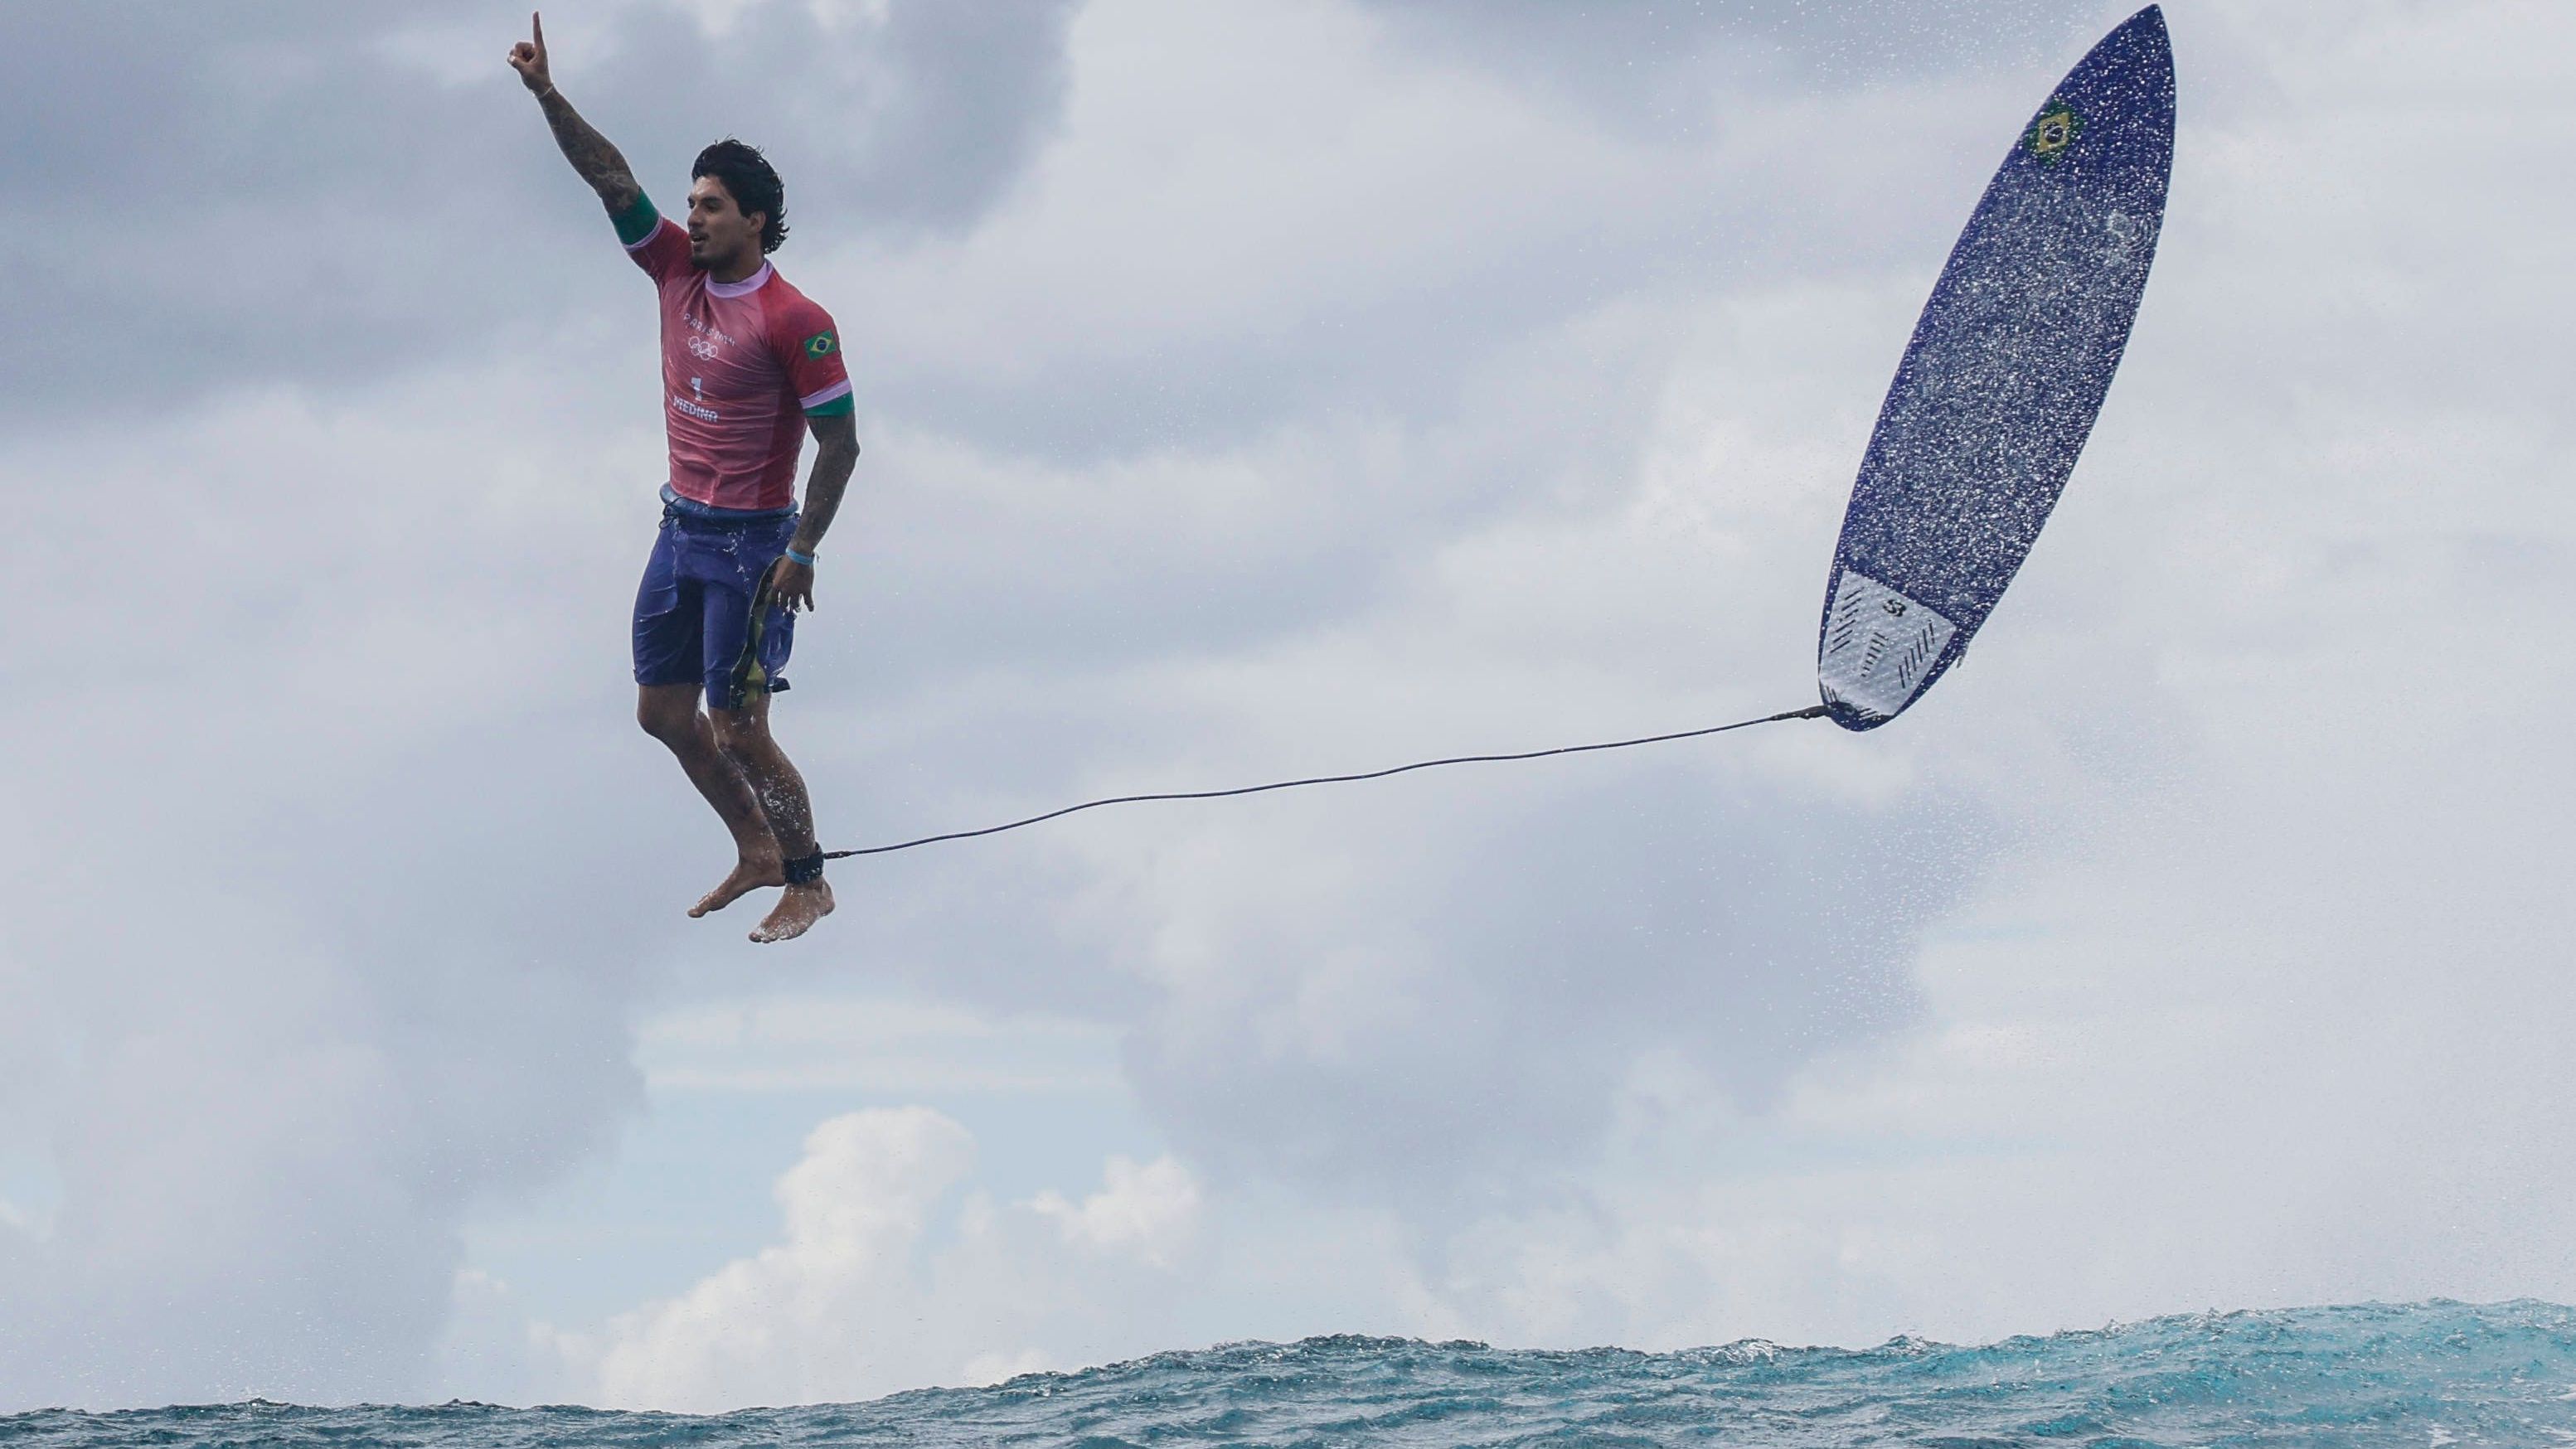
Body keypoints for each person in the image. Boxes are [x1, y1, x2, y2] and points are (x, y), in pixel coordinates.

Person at [510, 12, 856, 943]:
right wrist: (547, 94)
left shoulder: (795, 318)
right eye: (690, 203)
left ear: (752, 218)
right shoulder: (673, 270)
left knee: (739, 725)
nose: (691, 216)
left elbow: (842, 444)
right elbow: (609, 178)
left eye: (708, 205)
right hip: (678, 530)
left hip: (752, 547)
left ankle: (809, 878)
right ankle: (756, 847)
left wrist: (804, 548)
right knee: (662, 712)